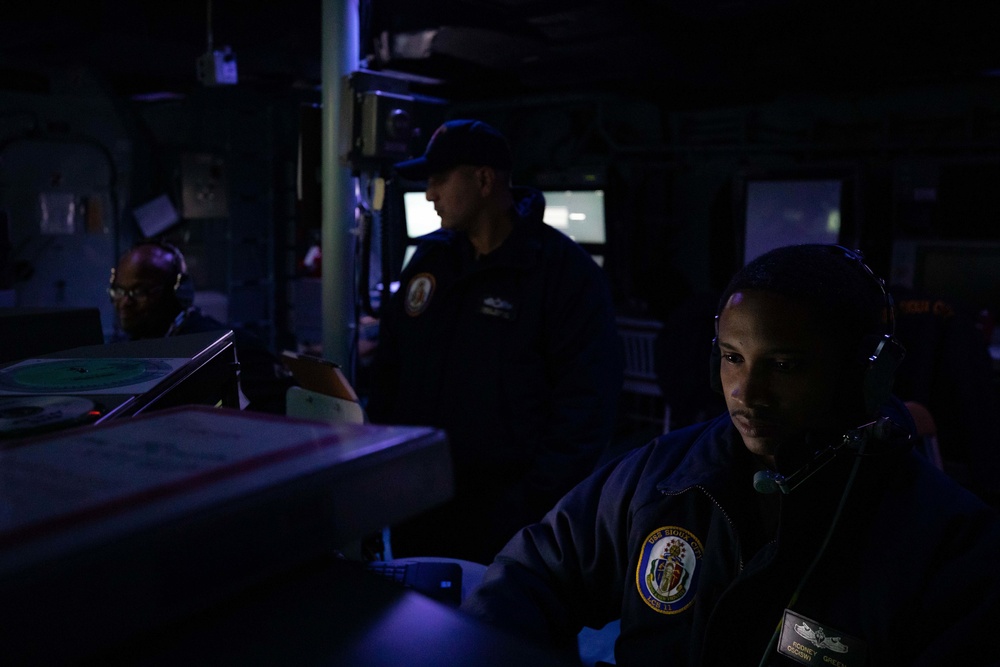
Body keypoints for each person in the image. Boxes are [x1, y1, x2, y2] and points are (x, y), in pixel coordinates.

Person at [461, 244, 1000, 666]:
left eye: (784, 366)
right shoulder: (662, 475)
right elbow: (531, 573)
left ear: (867, 377)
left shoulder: (949, 542)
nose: (746, 392)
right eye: (733, 358)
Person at [366, 119, 624, 564]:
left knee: (516, 628)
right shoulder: (430, 262)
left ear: (484, 180)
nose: (430, 194)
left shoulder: (562, 272)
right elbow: (391, 368)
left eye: (440, 180)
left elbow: (587, 404)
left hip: (512, 517)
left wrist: (530, 503)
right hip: (421, 502)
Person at [109, 239, 294, 414]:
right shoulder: (123, 350)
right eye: (119, 290)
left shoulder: (232, 350)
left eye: (140, 291)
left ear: (179, 292)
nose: (125, 302)